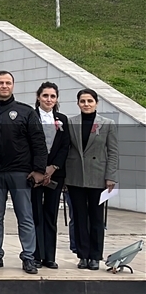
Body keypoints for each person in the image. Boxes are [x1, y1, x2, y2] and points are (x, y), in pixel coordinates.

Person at [0, 71, 47, 275]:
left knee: (25, 216)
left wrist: (38, 170)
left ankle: (28, 256)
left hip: (21, 173)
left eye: (8, 83)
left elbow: (38, 142)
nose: (4, 86)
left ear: (13, 85)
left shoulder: (26, 112)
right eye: (0, 83)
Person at [64, 89, 119, 271]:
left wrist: (111, 176)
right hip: (75, 176)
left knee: (96, 218)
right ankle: (82, 255)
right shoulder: (71, 122)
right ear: (78, 103)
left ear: (96, 102)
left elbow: (113, 152)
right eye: (82, 101)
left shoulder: (108, 123)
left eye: (89, 101)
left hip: (98, 177)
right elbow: (66, 150)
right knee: (79, 217)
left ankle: (95, 256)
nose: (86, 104)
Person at [31, 82, 70, 270]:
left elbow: (65, 146)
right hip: (35, 174)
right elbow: (27, 145)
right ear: (38, 97)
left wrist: (53, 167)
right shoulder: (30, 117)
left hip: (55, 174)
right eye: (45, 95)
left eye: (52, 96)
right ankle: (36, 254)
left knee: (50, 215)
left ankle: (50, 256)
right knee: (36, 214)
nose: (49, 99)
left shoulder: (62, 119)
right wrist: (39, 169)